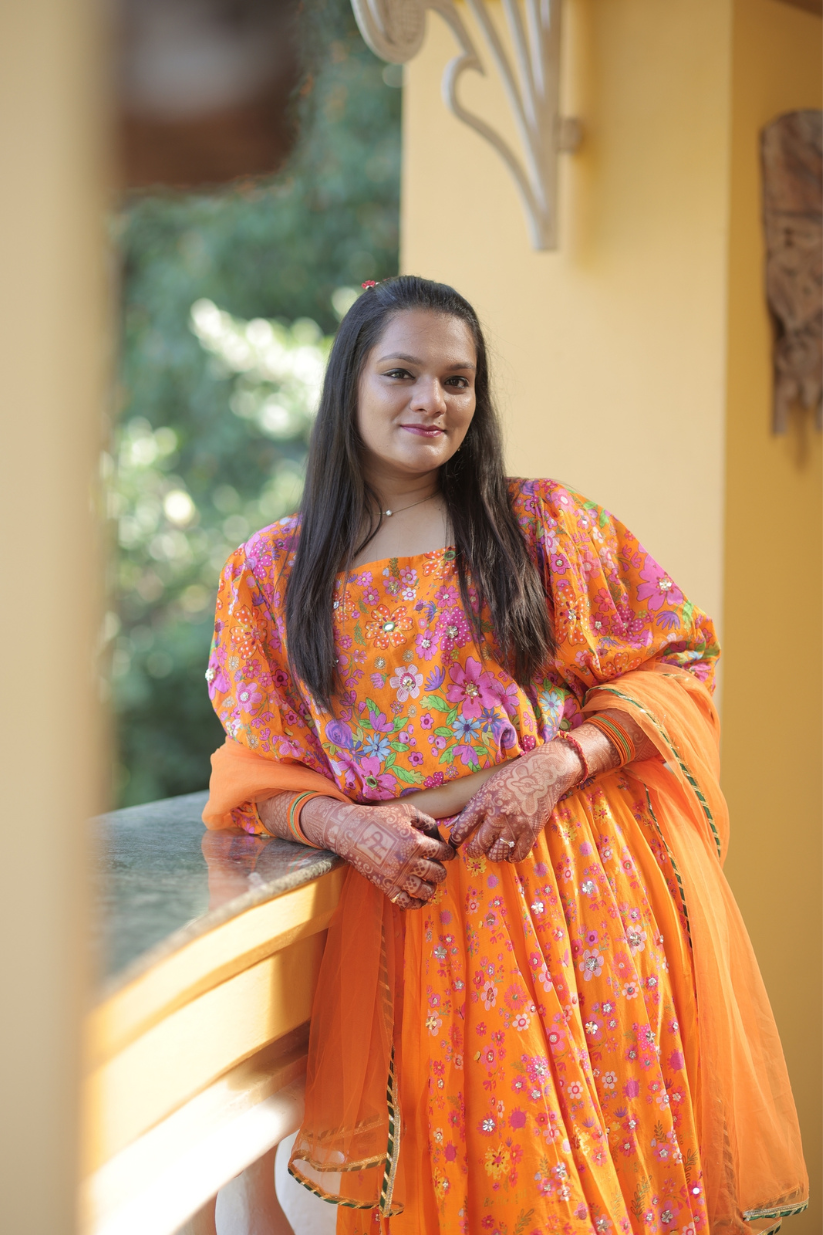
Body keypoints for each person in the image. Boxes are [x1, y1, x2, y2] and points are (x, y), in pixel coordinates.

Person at [203, 276, 807, 1234]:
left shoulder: (538, 527)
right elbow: (255, 771)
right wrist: (347, 826)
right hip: (420, 912)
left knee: (610, 1188)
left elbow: (677, 655)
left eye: (456, 380)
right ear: (348, 385)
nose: (429, 402)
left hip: (580, 892)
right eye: (400, 374)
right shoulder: (272, 572)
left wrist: (552, 765)